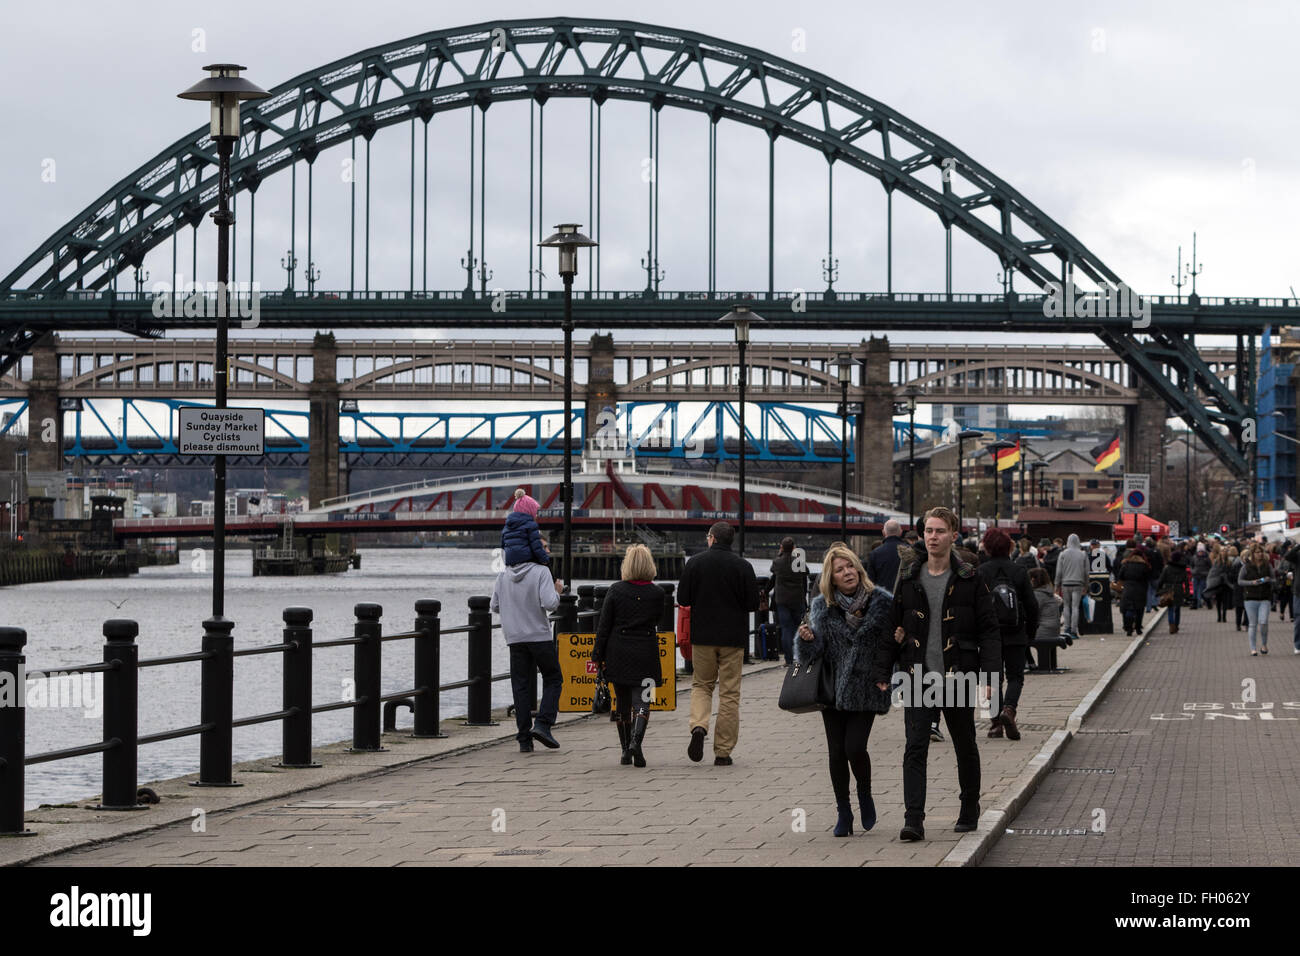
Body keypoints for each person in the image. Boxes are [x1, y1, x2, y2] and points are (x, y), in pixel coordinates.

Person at [872, 506, 1000, 842]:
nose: (932, 537)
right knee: (914, 747)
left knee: (964, 745)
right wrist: (884, 668)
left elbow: (989, 631)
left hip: (958, 675)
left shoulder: (971, 578)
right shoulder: (911, 576)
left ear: (953, 536)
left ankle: (969, 809)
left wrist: (990, 678)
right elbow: (893, 624)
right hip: (917, 675)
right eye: (928, 531)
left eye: (939, 531)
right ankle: (913, 819)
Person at [795, 543, 893, 836]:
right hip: (833, 689)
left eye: (851, 566)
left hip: (867, 685)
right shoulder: (821, 607)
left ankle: (865, 794)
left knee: (855, 747)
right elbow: (811, 657)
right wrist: (808, 639)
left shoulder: (881, 602)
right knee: (836, 751)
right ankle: (844, 812)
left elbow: (891, 645)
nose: (847, 572)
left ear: (859, 570)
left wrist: (886, 673)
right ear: (831, 577)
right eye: (840, 569)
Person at [677, 521, 759, 766]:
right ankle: (723, 752)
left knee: (702, 685)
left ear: (712, 538)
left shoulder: (695, 563)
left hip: (703, 636)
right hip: (733, 638)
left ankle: (699, 726)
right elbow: (753, 604)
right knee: (729, 693)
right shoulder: (743, 566)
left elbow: (683, 598)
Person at [592, 544, 665, 768]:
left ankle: (625, 751)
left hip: (618, 652)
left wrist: (597, 656)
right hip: (646, 652)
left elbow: (604, 627)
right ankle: (636, 743)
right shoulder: (658, 593)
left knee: (622, 701)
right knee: (643, 700)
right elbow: (658, 620)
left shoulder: (615, 590)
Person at [491, 533, 564, 752]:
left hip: (515, 638)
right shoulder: (541, 571)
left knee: (520, 687)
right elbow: (550, 603)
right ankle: (543, 724)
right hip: (539, 636)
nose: (546, 551)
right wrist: (557, 591)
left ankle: (524, 739)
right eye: (543, 547)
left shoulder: (503, 574)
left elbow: (494, 606)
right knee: (553, 679)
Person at [977, 527, 1039, 741]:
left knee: (991, 678)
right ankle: (1009, 710)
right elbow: (1032, 606)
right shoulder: (1019, 571)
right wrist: (1029, 633)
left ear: (987, 547)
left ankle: (995, 724)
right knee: (1015, 676)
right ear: (1008, 547)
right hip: (1016, 632)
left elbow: (975, 606)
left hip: (989, 635)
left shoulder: (981, 572)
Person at [767, 537, 810, 666]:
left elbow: (773, 574)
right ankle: (803, 657)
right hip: (797, 599)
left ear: (781, 547)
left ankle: (788, 659)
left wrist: (781, 554)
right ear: (793, 548)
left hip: (782, 600)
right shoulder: (798, 562)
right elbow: (806, 574)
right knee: (802, 628)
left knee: (786, 629)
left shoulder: (777, 562)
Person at [1239, 543, 1274, 656]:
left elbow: (1274, 579)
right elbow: (1240, 581)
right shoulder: (1246, 566)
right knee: (1253, 624)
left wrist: (1269, 580)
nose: (1260, 554)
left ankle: (1264, 644)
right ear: (1253, 554)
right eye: (1257, 552)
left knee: (1263, 622)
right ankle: (1253, 648)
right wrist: (1252, 583)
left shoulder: (1267, 565)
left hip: (1265, 597)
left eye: (1261, 552)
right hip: (1250, 598)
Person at [501, 488, 550, 567]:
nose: (536, 515)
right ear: (529, 511)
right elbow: (536, 546)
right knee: (544, 570)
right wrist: (545, 559)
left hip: (510, 560)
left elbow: (503, 546)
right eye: (535, 512)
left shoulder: (507, 525)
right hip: (526, 559)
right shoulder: (531, 525)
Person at [1054, 534, 1088, 640]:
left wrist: (1056, 585)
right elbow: (1087, 572)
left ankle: (1067, 629)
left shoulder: (1063, 554)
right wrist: (1086, 585)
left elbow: (1059, 571)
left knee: (1066, 607)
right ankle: (1074, 631)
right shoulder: (1083, 554)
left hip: (1065, 583)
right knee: (1075, 607)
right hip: (1078, 583)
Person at [1116, 545, 1151, 636]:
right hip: (1140, 590)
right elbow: (1147, 577)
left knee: (1128, 608)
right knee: (1139, 610)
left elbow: (1120, 576)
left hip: (1128, 589)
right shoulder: (1144, 565)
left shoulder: (1126, 564)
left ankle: (1128, 628)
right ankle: (1138, 628)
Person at [1156, 545, 1189, 634]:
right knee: (1177, 608)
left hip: (1168, 589)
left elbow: (1161, 579)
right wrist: (1187, 592)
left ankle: (1171, 625)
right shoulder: (1183, 569)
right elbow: (1186, 581)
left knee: (1170, 608)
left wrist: (1158, 589)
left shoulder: (1167, 568)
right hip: (1178, 589)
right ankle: (1176, 625)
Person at [1030, 567, 1063, 654]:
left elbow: (1033, 614)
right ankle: (1030, 662)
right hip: (1054, 630)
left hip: (1044, 631)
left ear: (1033, 579)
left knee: (1019, 638)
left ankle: (1029, 662)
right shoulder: (1049, 592)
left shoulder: (1038, 594)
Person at [867, 520, 906, 591]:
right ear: (901, 532)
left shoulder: (874, 554)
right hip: (904, 595)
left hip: (883, 597)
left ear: (883, 532)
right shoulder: (909, 550)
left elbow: (870, 582)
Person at [1191, 542, 1211, 610]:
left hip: (1203, 576)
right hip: (1196, 575)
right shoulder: (1194, 557)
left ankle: (1208, 602)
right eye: (1199, 551)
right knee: (1195, 590)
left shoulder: (1207, 558)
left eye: (1201, 551)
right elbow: (1191, 565)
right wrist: (1193, 571)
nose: (1200, 552)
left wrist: (1206, 573)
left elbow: (1210, 567)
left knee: (1202, 591)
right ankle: (1195, 604)